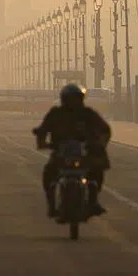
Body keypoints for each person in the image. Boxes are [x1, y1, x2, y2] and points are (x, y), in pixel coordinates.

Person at [33, 83, 111, 219]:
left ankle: (93, 200)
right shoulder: (55, 113)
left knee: (97, 170)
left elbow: (104, 129)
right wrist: (42, 141)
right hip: (61, 153)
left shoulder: (88, 114)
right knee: (49, 174)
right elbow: (43, 129)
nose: (72, 102)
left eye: (75, 99)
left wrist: (100, 143)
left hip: (83, 152)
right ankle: (51, 204)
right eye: (70, 99)